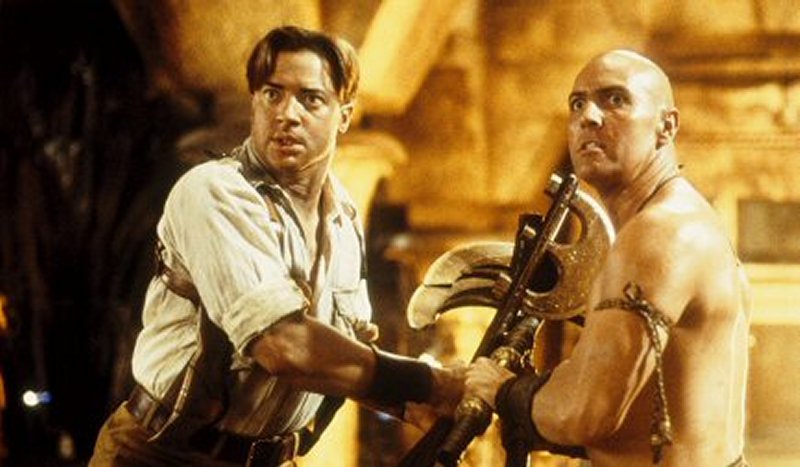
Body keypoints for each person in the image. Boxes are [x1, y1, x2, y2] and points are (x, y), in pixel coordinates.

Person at [90, 25, 462, 466]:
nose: (288, 114)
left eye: (311, 99)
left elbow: (341, 355)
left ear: (344, 116)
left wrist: (414, 402)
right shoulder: (214, 192)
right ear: (254, 102)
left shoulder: (343, 219)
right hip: (160, 456)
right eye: (272, 94)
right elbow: (284, 346)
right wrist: (428, 384)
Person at [464, 50, 750, 466]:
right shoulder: (680, 221)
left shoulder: (659, 233)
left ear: (666, 126)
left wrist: (504, 391)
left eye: (615, 100)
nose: (589, 117)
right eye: (577, 104)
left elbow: (586, 415)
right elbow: (629, 425)